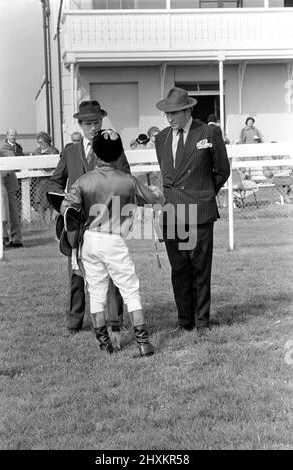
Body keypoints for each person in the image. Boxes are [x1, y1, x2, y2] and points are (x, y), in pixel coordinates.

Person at [61, 130, 164, 355]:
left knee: (96, 292)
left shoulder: (83, 181)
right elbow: (152, 199)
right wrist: (158, 194)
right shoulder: (128, 180)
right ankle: (143, 343)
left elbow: (66, 208)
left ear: (95, 153)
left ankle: (104, 344)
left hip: (89, 241)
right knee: (130, 290)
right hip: (114, 240)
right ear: (118, 154)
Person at [47, 100, 130, 335]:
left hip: (105, 221)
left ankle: (115, 320)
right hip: (76, 223)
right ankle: (74, 321)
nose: (93, 127)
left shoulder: (114, 149)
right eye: (89, 123)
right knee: (76, 272)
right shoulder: (70, 151)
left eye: (97, 122)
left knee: (112, 271)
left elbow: (125, 179)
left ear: (102, 122)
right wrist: (62, 204)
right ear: (80, 125)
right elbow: (55, 180)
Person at [154, 87, 230, 334]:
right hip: (172, 212)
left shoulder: (208, 132)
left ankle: (202, 321)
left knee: (199, 267)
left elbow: (222, 170)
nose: (170, 118)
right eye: (167, 113)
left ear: (188, 110)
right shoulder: (161, 138)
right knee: (179, 269)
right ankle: (184, 321)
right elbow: (168, 176)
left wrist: (205, 193)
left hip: (199, 211)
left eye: (175, 112)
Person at [0, 129, 24, 248]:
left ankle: (16, 239)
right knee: (1, 212)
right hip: (2, 184)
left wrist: (1, 175)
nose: (13, 137)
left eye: (14, 135)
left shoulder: (4, 146)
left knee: (12, 212)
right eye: (11, 135)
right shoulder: (3, 145)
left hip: (7, 184)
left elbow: (12, 163)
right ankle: (4, 238)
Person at [32, 132, 59, 226]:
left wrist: (43, 166)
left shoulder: (54, 151)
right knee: (39, 201)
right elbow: (34, 164)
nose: (40, 145)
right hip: (40, 181)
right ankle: (42, 222)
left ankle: (49, 221)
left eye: (41, 142)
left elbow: (51, 166)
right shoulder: (37, 151)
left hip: (50, 180)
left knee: (50, 201)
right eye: (38, 142)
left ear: (47, 142)